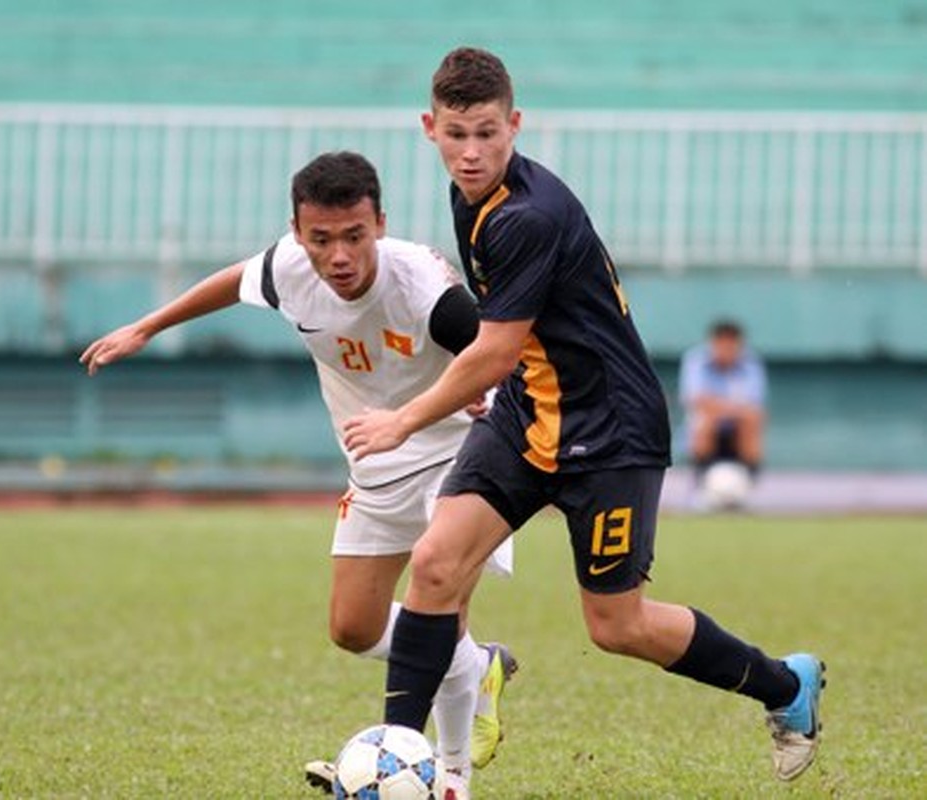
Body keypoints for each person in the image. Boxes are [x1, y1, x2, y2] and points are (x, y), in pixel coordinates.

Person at [342, 47, 824, 790]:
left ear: (517, 125)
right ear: (428, 128)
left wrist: (403, 419)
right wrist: (486, 375)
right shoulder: (469, 194)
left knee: (616, 627)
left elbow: (495, 351)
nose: (472, 153)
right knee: (435, 565)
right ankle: (397, 759)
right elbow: (506, 342)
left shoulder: (526, 216)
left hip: (610, 432)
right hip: (530, 413)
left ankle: (785, 687)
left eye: (489, 134)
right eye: (457, 134)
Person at [78, 151, 515, 799]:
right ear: (297, 232)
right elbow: (236, 280)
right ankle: (474, 668)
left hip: (458, 455)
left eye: (354, 236)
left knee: (439, 600)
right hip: (375, 461)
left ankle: (449, 779)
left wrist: (483, 389)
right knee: (353, 629)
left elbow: (497, 351)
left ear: (379, 225)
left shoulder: (422, 287)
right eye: (320, 239)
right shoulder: (289, 266)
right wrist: (147, 326)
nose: (338, 255)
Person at [679, 318, 768, 474]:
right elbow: (695, 400)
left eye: (731, 344)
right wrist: (732, 407)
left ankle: (747, 477)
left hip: (738, 425)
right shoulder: (696, 360)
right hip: (709, 424)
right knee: (704, 419)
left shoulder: (752, 363)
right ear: (713, 343)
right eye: (722, 343)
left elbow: (755, 404)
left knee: (754, 418)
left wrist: (719, 406)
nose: (727, 349)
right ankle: (702, 474)